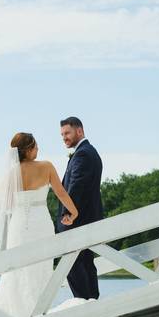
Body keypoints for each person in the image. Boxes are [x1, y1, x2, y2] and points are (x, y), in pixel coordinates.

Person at [0, 132, 79, 317]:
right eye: (35, 146)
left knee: (17, 270)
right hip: (41, 223)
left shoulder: (11, 174)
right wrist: (74, 212)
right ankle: (39, 313)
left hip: (19, 225)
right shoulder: (46, 166)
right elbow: (62, 193)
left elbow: (6, 205)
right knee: (41, 267)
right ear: (28, 149)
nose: (38, 148)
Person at [56, 116, 104, 299]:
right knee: (85, 263)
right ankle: (92, 301)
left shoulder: (83, 154)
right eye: (62, 134)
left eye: (67, 133)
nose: (64, 137)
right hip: (87, 219)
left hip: (78, 221)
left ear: (80, 131)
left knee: (73, 264)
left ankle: (84, 304)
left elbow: (76, 185)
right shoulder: (88, 151)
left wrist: (68, 213)